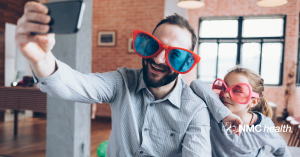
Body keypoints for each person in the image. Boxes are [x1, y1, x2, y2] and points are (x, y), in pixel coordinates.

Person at [15, 2, 218, 156]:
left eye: (174, 55)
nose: (157, 59)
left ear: (185, 63)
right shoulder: (123, 81)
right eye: (154, 46)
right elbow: (73, 84)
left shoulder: (195, 110)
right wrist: (40, 57)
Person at [190, 66, 291, 157]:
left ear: (253, 101)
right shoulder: (214, 112)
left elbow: (281, 149)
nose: (225, 94)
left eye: (237, 90)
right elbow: (196, 83)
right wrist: (225, 115)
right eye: (223, 88)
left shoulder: (264, 126)